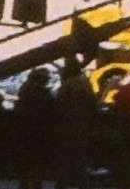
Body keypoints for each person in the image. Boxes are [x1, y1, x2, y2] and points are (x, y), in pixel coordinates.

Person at [56, 57, 97, 189]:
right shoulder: (85, 82)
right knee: (80, 158)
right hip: (82, 125)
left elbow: (60, 102)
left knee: (66, 158)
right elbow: (92, 102)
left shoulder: (69, 84)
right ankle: (81, 184)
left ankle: (64, 184)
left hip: (68, 125)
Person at [14, 67, 56, 189]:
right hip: (40, 133)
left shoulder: (24, 91)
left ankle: (24, 184)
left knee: (25, 161)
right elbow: (52, 112)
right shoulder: (44, 94)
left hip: (25, 132)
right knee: (37, 162)